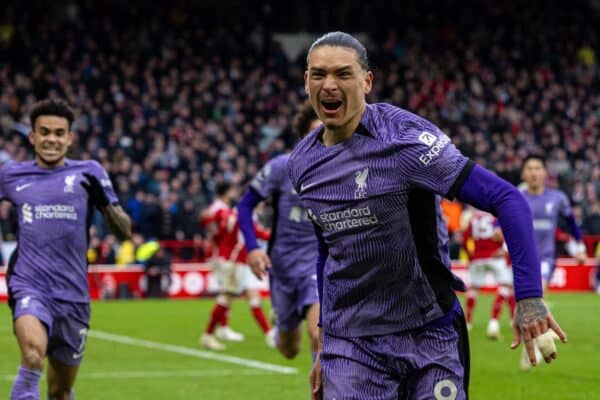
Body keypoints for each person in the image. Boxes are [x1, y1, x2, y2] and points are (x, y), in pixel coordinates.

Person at [287, 32, 567, 400]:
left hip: (429, 332)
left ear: (367, 81)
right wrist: (326, 343)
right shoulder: (302, 164)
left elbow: (507, 199)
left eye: (343, 74)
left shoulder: (405, 139)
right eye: (319, 75)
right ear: (306, 81)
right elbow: (329, 249)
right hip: (353, 346)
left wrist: (529, 298)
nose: (330, 85)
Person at [3, 98, 132, 400]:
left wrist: (104, 204)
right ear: (32, 137)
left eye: (59, 133)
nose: (51, 139)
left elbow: (124, 230)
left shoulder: (90, 172)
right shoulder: (11, 175)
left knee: (60, 391)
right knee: (33, 355)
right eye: (44, 132)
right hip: (30, 284)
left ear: (69, 138)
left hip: (74, 294)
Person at [237, 100, 321, 361]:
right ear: (303, 137)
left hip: (319, 266)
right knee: (289, 349)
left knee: (319, 336)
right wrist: (252, 249)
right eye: (315, 134)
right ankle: (281, 324)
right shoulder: (281, 168)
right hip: (283, 267)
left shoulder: (341, 172)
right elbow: (244, 205)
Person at [199, 182, 274, 350]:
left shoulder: (230, 212)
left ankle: (269, 334)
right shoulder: (237, 213)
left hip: (239, 262)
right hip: (234, 262)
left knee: (250, 296)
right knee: (226, 298)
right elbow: (258, 233)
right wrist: (278, 236)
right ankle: (208, 335)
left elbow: (213, 224)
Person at [521, 154, 587, 292]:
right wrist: (497, 230)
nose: (533, 173)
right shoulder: (517, 197)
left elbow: (572, 224)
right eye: (529, 168)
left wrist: (581, 250)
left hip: (546, 257)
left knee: (538, 292)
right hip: (522, 259)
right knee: (525, 302)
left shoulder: (558, 198)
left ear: (545, 173)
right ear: (523, 173)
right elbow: (499, 221)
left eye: (538, 168)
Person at [462, 207, 514, 339]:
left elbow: (465, 239)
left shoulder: (473, 218)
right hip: (495, 256)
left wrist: (470, 257)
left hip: (477, 258)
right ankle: (494, 322)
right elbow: (503, 235)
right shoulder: (495, 216)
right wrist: (505, 251)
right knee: (506, 286)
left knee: (473, 289)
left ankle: (467, 322)